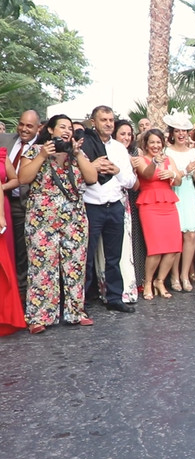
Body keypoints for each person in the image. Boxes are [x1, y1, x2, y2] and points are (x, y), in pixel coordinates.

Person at [18, 114, 98, 333]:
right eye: (62, 127)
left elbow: (91, 178)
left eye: (70, 128)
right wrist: (43, 155)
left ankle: (75, 311)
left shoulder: (75, 155)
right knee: (42, 267)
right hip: (41, 220)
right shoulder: (35, 151)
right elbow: (23, 178)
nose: (67, 130)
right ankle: (39, 316)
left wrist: (79, 153)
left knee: (75, 265)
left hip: (74, 219)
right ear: (50, 130)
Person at [80, 106, 138, 313]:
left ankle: (115, 297)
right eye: (103, 119)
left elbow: (131, 181)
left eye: (111, 120)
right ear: (93, 122)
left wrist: (117, 171)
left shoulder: (120, 149)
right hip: (91, 206)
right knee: (86, 257)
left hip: (114, 206)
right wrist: (92, 168)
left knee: (114, 257)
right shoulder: (83, 146)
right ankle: (81, 303)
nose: (108, 123)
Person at [131, 129, 183, 300]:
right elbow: (146, 173)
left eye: (158, 142)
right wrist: (154, 162)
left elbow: (179, 181)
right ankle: (148, 282)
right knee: (155, 248)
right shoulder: (141, 160)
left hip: (168, 202)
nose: (155, 145)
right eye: (152, 142)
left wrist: (173, 174)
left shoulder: (169, 159)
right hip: (150, 204)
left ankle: (160, 281)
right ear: (145, 144)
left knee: (174, 247)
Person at [163, 110, 195, 292]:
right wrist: (187, 169)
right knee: (176, 236)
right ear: (172, 133)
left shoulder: (194, 151)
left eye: (184, 131)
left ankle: (185, 274)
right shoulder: (166, 151)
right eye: (177, 131)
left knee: (191, 235)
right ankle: (173, 276)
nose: (181, 134)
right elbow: (171, 176)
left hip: (188, 193)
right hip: (173, 192)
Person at [0, 110, 39, 305]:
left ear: (38, 128)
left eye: (29, 126)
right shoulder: (5, 140)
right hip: (4, 204)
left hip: (28, 205)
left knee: (23, 252)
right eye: (22, 124)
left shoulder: (42, 147)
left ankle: (21, 297)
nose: (24, 129)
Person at [112, 119, 147, 292]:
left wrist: (134, 169)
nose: (126, 137)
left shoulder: (135, 151)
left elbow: (138, 183)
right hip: (112, 197)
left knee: (135, 238)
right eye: (122, 134)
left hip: (132, 197)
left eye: (128, 134)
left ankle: (138, 278)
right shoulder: (107, 149)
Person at [0, 147, 24, 335]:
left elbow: (15, 179)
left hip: (2, 207)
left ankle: (6, 314)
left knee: (4, 263)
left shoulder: (2, 154)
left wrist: (2, 187)